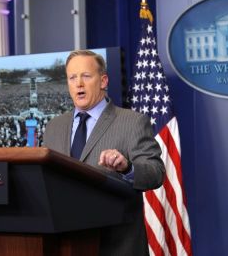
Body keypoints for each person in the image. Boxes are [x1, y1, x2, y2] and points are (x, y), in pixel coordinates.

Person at [43, 50, 165, 256]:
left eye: (86, 76)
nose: (78, 83)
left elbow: (156, 173)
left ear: (103, 81)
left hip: (116, 246)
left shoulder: (132, 122)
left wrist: (127, 167)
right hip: (65, 245)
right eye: (72, 78)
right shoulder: (54, 126)